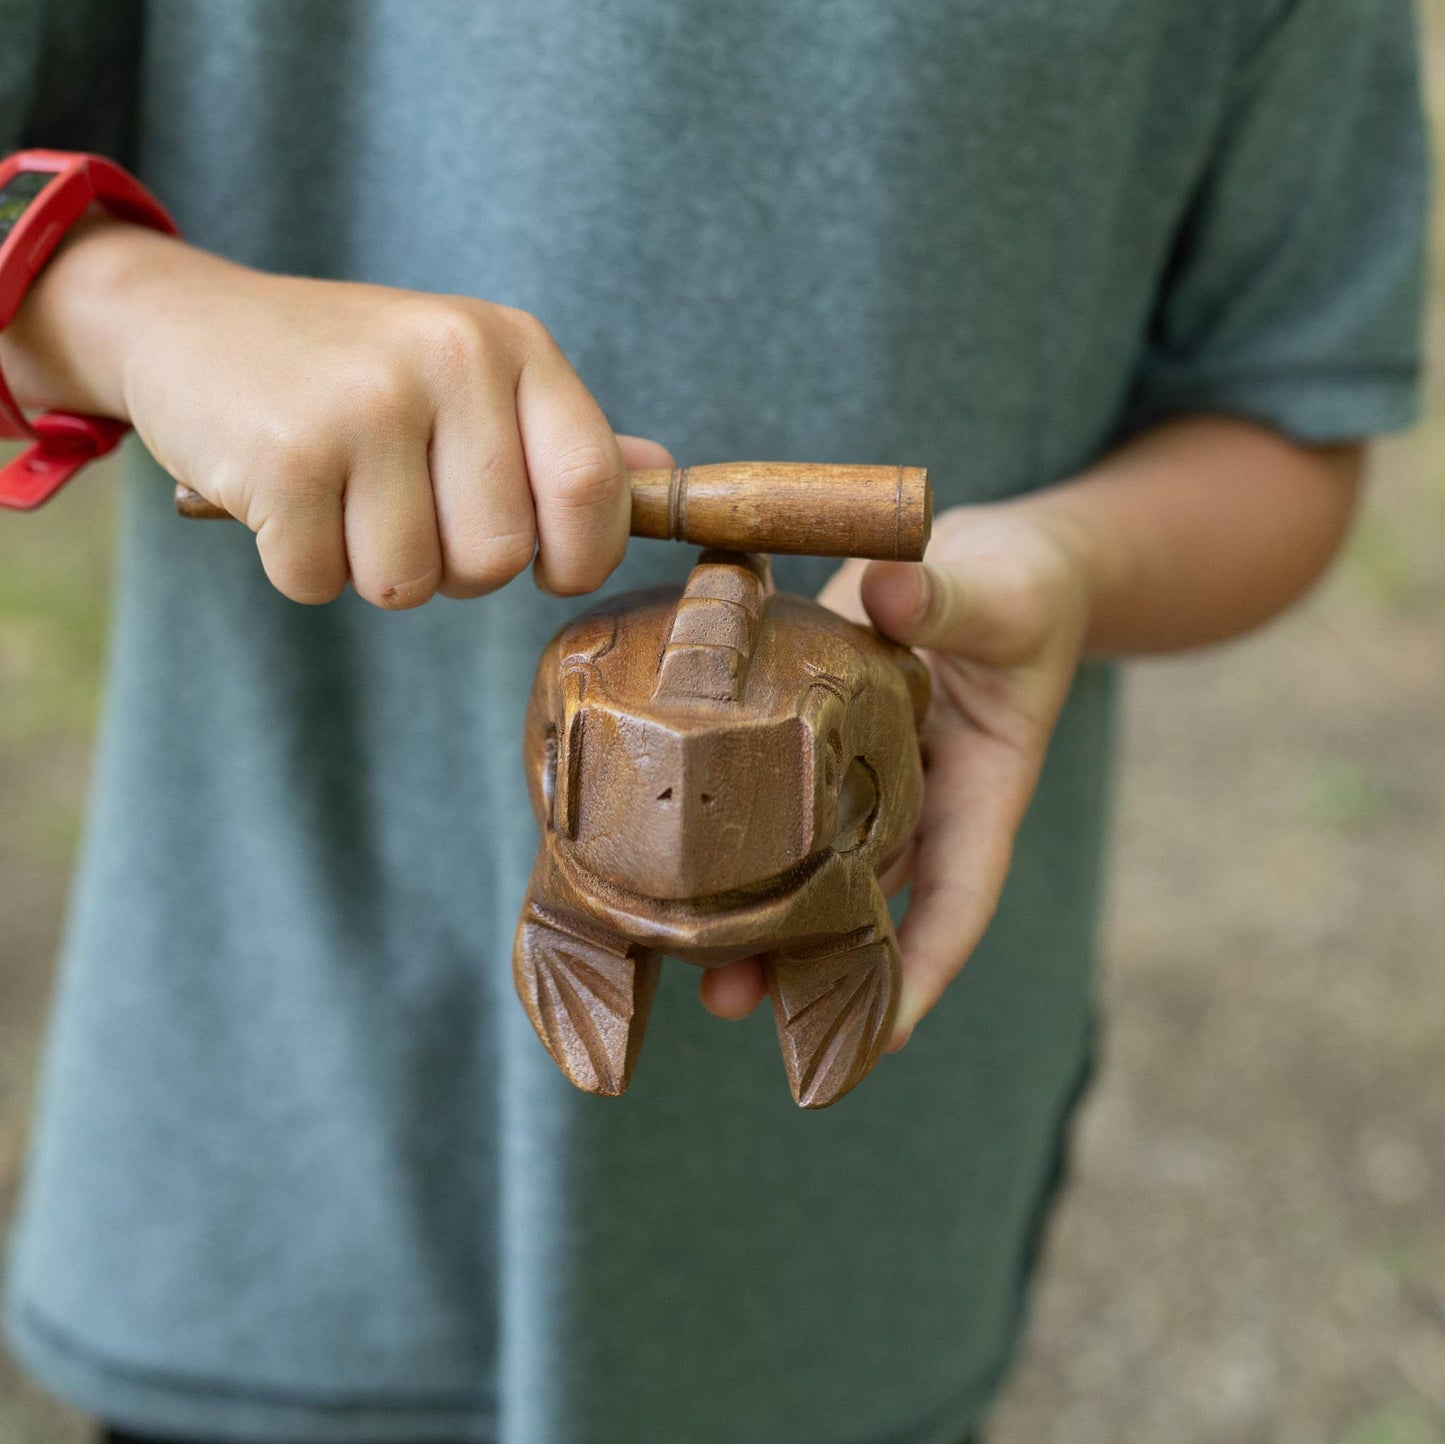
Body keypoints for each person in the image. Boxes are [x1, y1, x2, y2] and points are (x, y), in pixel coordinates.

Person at [0, 3, 1425, 1442]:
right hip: (271, 1110)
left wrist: (1066, 568)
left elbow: (1282, 413)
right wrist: (122, 300)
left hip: (846, 1216)